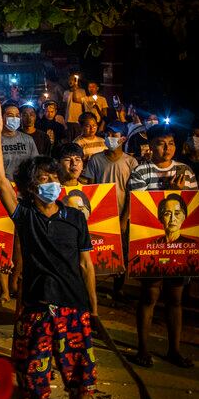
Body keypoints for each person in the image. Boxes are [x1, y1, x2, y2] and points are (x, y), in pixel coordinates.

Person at [0, 89, 97, 399]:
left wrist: (92, 308)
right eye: (42, 180)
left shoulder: (76, 218)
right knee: (30, 380)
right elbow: (1, 180)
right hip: (35, 309)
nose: (50, 184)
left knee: (81, 383)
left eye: (53, 179)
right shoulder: (25, 216)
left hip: (74, 309)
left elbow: (87, 266)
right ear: (30, 188)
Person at [127, 125, 197, 369]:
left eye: (170, 143)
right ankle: (143, 349)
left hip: (177, 245)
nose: (166, 148)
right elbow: (140, 207)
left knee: (176, 298)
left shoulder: (185, 170)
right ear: (151, 144)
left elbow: (191, 206)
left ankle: (174, 349)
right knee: (150, 295)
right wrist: (171, 192)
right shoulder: (141, 170)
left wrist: (181, 194)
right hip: (150, 243)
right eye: (160, 143)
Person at [82, 122, 136, 300]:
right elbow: (89, 188)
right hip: (99, 215)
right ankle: (91, 287)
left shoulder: (131, 162)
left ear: (123, 138)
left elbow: (132, 193)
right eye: (108, 134)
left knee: (121, 252)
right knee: (97, 251)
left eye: (115, 135)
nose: (110, 138)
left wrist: (125, 218)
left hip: (121, 214)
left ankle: (118, 289)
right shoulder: (96, 160)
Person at [0, 101, 39, 182]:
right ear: (1, 117)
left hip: (23, 189)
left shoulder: (28, 140)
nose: (14, 118)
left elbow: (36, 167)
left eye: (17, 116)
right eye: (10, 115)